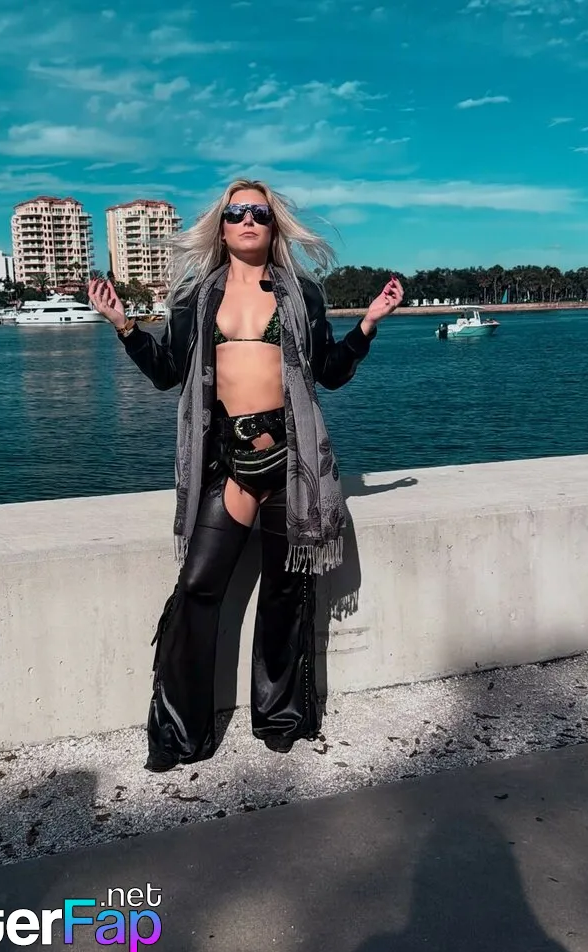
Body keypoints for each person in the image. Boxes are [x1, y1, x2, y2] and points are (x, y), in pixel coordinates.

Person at [89, 179, 403, 772]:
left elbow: (329, 373)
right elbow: (168, 373)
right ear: (223, 225)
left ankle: (279, 717)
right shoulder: (197, 297)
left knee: (286, 593)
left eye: (259, 212)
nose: (248, 220)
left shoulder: (300, 294)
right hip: (227, 462)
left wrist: (368, 324)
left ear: (273, 224)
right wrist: (124, 326)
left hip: (291, 460)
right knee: (197, 589)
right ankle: (180, 729)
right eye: (237, 213)